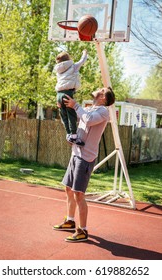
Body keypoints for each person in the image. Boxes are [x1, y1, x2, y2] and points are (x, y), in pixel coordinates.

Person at [53, 87, 115, 242]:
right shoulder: (88, 109)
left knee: (79, 194)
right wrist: (72, 136)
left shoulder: (103, 112)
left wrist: (75, 105)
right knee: (68, 189)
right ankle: (70, 221)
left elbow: (88, 120)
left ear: (103, 97)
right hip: (75, 153)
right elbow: (79, 125)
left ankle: (83, 231)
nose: (97, 89)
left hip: (85, 158)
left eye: (101, 89)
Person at [54, 50, 87, 146]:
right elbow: (82, 60)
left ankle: (68, 133)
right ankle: (73, 136)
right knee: (71, 115)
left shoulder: (58, 71)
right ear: (68, 59)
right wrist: (84, 52)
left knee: (63, 115)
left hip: (58, 95)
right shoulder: (73, 67)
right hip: (68, 93)